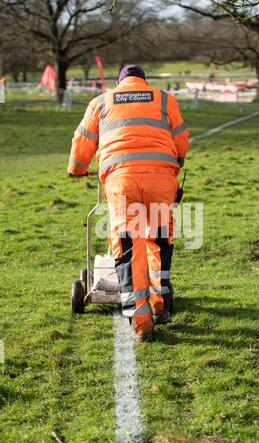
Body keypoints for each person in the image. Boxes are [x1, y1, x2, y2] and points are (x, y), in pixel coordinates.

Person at [68, 65, 189, 342]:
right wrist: (178, 158)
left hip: (122, 181)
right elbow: (181, 137)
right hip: (161, 178)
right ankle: (161, 306)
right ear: (143, 82)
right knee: (158, 239)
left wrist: (76, 168)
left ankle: (141, 322)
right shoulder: (164, 99)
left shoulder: (101, 101)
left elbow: (82, 140)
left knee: (127, 244)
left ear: (119, 83)